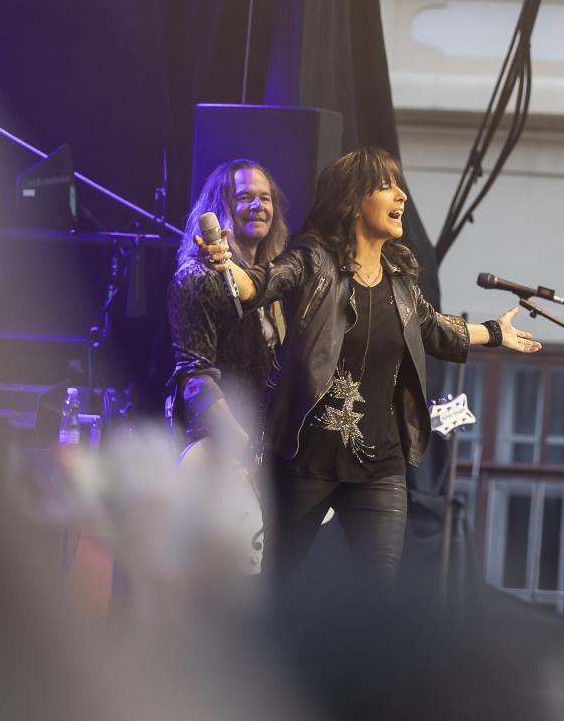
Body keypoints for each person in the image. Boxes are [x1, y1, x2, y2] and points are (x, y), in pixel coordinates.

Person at [197, 145, 541, 585]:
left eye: (399, 188)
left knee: (379, 588)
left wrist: (494, 332)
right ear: (355, 200)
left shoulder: (400, 277)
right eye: (386, 187)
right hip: (308, 459)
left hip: (380, 465)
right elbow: (259, 285)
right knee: (280, 585)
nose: (402, 196)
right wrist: (227, 266)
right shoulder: (312, 261)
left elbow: (431, 327)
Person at [168, 158, 288, 461]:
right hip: (216, 451)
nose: (258, 206)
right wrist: (241, 443)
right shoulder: (198, 278)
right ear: (222, 206)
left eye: (265, 198)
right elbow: (195, 379)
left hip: (258, 449)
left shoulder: (272, 283)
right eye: (245, 197)